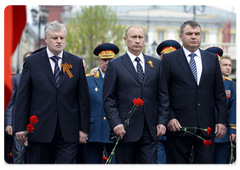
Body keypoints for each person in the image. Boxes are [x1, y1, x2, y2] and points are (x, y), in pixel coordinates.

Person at [14, 21, 90, 165]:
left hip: (69, 129)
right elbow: (23, 96)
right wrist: (19, 127)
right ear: (46, 38)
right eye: (55, 38)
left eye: (62, 38)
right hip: (41, 128)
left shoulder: (75, 62)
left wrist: (84, 129)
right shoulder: (32, 62)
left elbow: (83, 99)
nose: (59, 41)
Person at [161, 20, 228, 164]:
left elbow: (220, 94)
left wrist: (222, 121)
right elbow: (163, 93)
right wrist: (169, 118)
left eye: (197, 34)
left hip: (206, 126)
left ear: (201, 36)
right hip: (178, 126)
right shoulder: (169, 59)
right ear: (181, 36)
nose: (193, 37)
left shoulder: (211, 59)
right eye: (189, 34)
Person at [102, 25, 169, 164]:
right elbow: (109, 99)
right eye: (133, 37)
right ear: (126, 39)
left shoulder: (156, 64)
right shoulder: (115, 65)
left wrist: (162, 121)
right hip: (125, 130)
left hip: (150, 130)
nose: (137, 41)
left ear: (145, 40)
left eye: (140, 37)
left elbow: (162, 96)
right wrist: (116, 123)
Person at [85, 43, 119, 165]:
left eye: (110, 60)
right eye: (104, 60)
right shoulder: (88, 80)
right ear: (98, 60)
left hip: (114, 131)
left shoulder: (121, 79)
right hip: (94, 131)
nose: (107, 63)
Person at [205, 47, 237, 164]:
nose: (228, 67)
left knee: (221, 163)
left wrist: (233, 130)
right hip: (204, 131)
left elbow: (232, 108)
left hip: (222, 134)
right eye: (225, 65)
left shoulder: (229, 84)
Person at [4, 51, 33, 164]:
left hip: (37, 124)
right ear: (23, 62)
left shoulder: (41, 78)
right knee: (19, 155)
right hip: (19, 124)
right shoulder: (15, 79)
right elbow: (10, 103)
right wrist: (9, 123)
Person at [155, 39, 181, 165]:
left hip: (178, 127)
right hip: (158, 127)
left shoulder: (182, 76)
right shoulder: (153, 73)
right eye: (165, 57)